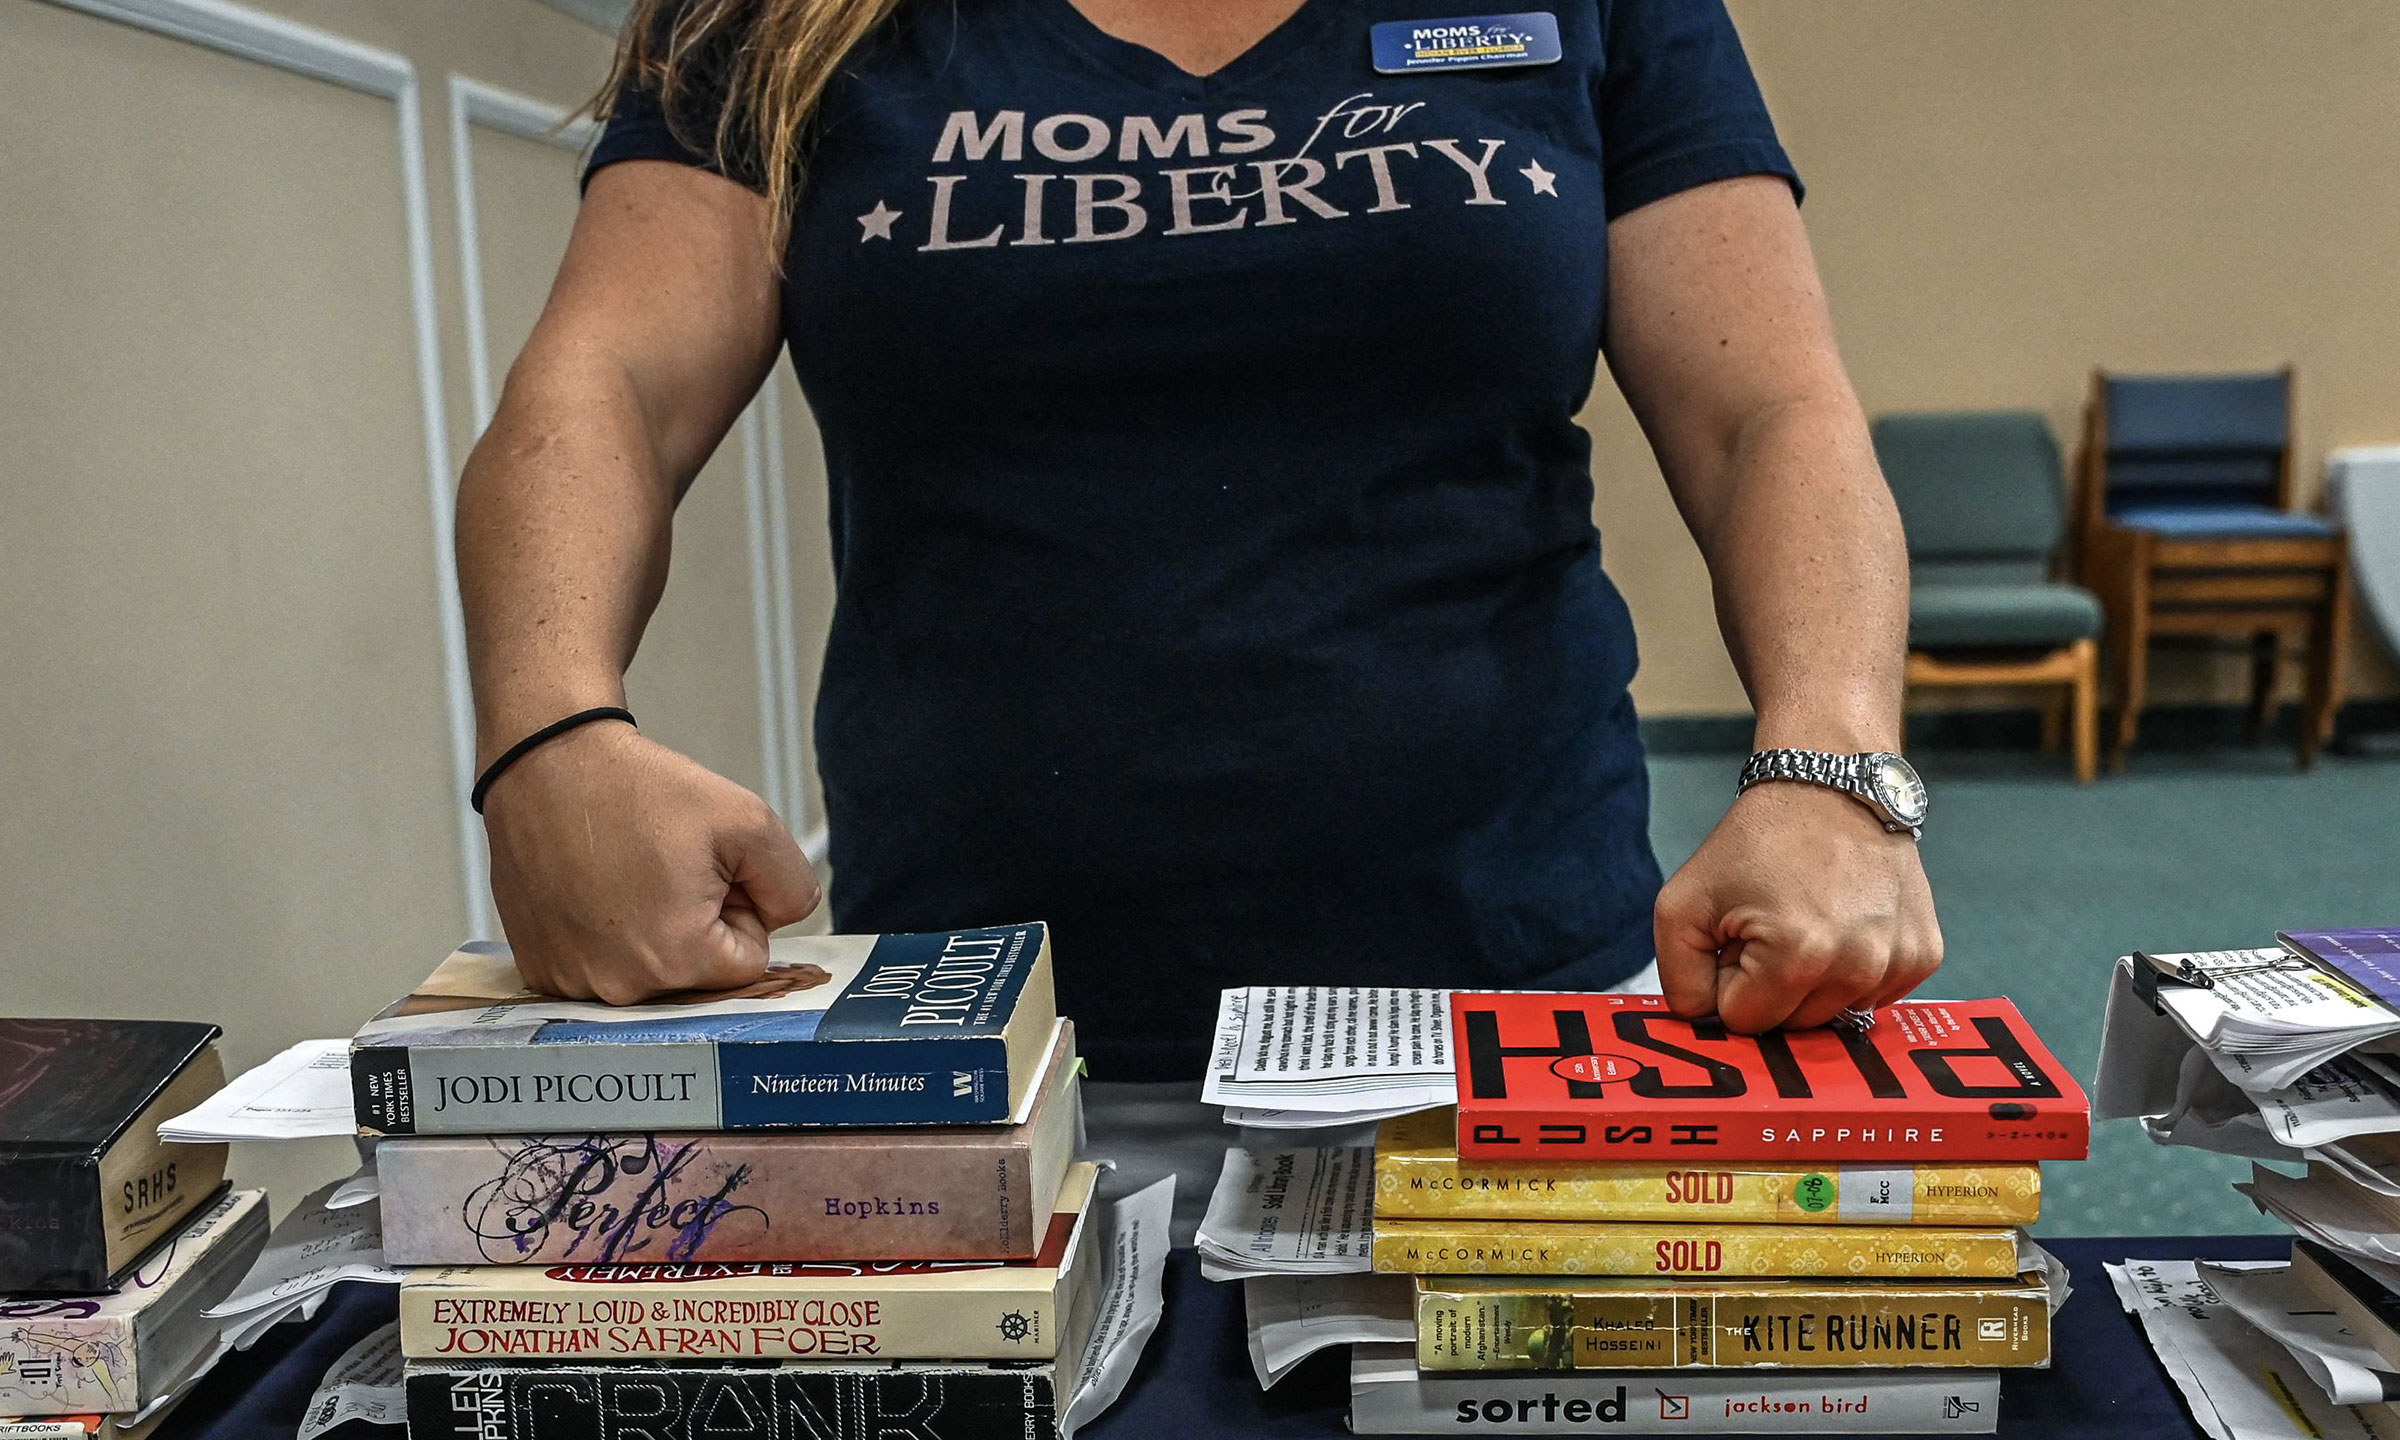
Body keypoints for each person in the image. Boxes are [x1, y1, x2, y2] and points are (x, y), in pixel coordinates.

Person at [455, 0, 1941, 1221]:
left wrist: (1836, 758)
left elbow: (1771, 411)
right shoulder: (777, 19)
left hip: (1521, 1018)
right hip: (993, 1055)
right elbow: (611, 385)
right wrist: (550, 732)